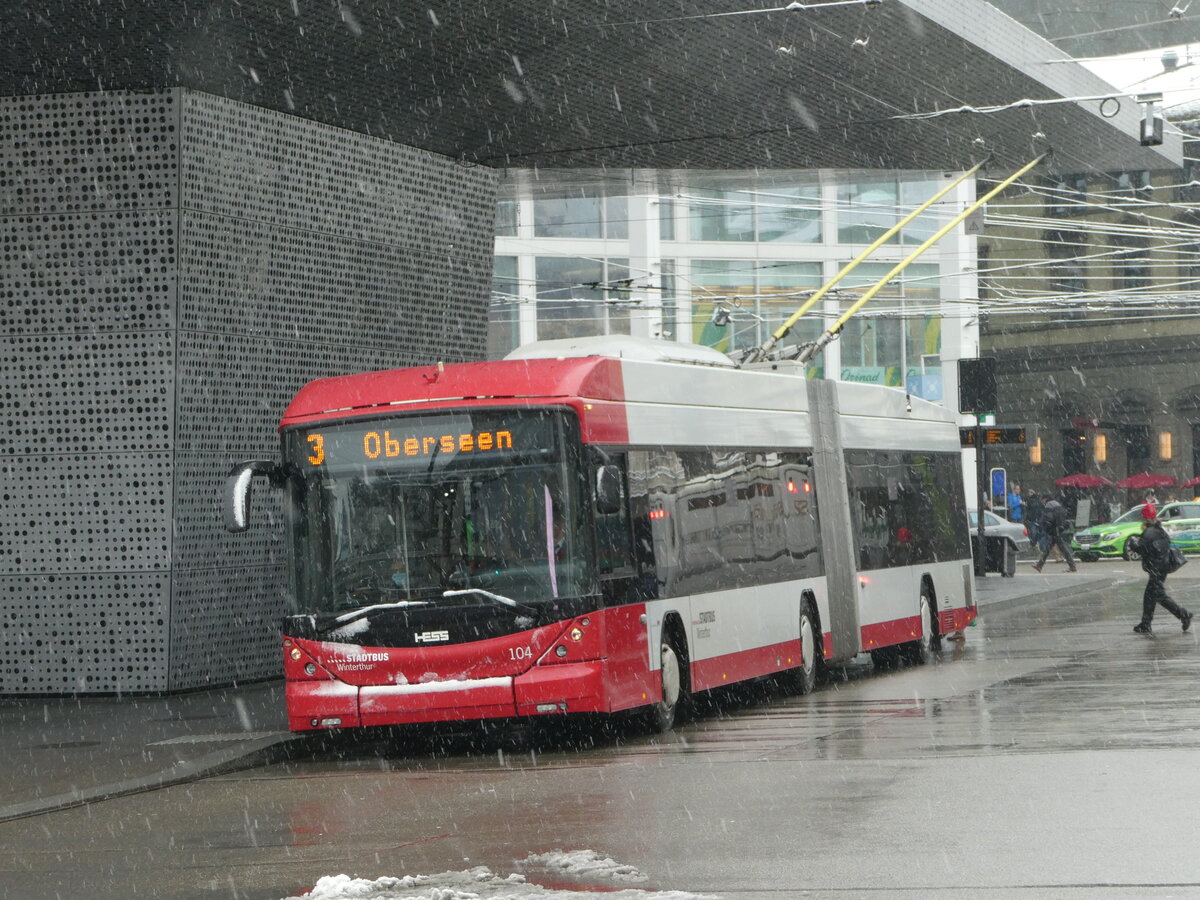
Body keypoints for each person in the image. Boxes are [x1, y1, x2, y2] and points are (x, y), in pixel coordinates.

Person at [1132, 503, 1192, 635]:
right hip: (1161, 568)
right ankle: (1145, 623)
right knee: (1150, 596)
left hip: (1156, 569)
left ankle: (1184, 614)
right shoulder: (1159, 530)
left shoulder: (1149, 532)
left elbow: (1141, 548)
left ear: (1145, 519)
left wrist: (1133, 542)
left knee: (1158, 596)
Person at [1033, 495, 1076, 572]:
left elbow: (1047, 517)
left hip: (1054, 530)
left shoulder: (1049, 504)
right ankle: (1039, 565)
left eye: (1043, 500)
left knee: (1062, 548)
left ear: (1045, 499)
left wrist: (1042, 524)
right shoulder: (1056, 504)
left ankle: (1072, 566)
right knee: (1049, 548)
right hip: (1057, 529)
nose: (1042, 502)